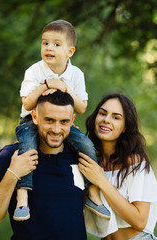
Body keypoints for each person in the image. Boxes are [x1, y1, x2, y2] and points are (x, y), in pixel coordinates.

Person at [15, 19, 109, 221]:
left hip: (62, 123)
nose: (49, 48)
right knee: (28, 150)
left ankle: (93, 192)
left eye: (56, 44)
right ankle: (22, 197)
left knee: (86, 144)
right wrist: (46, 84)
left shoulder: (76, 74)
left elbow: (81, 107)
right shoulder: (34, 71)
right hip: (31, 122)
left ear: (70, 52)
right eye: (45, 43)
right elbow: (28, 102)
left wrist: (64, 87)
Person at [0, 91, 87, 240]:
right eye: (49, 120)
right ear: (35, 117)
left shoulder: (80, 157)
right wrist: (13, 173)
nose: (56, 129)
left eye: (64, 121)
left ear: (72, 120)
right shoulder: (12, 155)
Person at [78, 93, 157, 240]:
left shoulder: (134, 162)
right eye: (102, 113)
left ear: (125, 127)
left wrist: (101, 180)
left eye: (116, 117)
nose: (106, 120)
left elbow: (140, 221)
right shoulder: (92, 161)